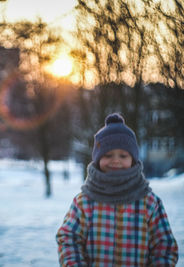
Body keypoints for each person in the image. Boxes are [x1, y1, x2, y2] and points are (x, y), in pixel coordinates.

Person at [56, 113, 178, 266]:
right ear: (97, 158)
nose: (115, 160)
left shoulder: (150, 203)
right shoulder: (84, 202)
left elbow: (164, 246)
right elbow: (68, 238)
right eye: (108, 155)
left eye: (123, 155)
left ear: (132, 159)